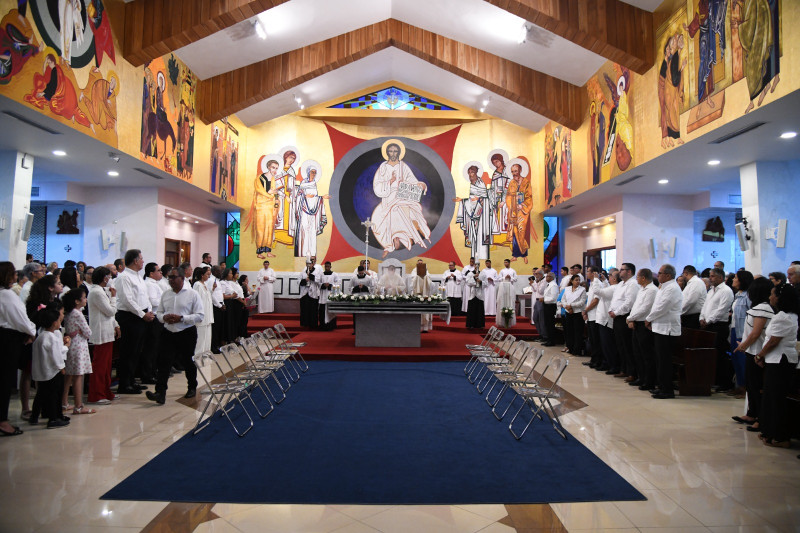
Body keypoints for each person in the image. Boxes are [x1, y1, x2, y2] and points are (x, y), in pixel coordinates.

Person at [146, 268, 205, 404]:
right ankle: (160, 392)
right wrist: (164, 317)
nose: (171, 280)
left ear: (182, 278)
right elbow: (159, 313)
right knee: (164, 362)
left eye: (174, 277)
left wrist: (182, 318)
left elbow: (200, 315)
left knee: (188, 361)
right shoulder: (166, 294)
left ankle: (191, 387)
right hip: (168, 332)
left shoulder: (192, 294)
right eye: (169, 278)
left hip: (186, 332)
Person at [753, 284, 798, 447]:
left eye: (773, 294)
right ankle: (770, 431)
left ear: (780, 297)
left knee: (775, 399)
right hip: (779, 360)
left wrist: (759, 355)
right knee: (772, 398)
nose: (770, 297)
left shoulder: (783, 317)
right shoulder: (790, 315)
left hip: (780, 360)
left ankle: (780, 436)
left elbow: (773, 341)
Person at [371, 141, 431, 258]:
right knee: (379, 219)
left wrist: (420, 184)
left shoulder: (403, 166)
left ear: (399, 152)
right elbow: (377, 184)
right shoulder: (383, 167)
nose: (393, 153)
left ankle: (401, 236)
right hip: (388, 197)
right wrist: (390, 181)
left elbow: (412, 180)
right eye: (390, 151)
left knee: (400, 210)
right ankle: (392, 241)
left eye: (395, 151)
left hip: (401, 196)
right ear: (387, 152)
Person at [732, 277, 774, 428]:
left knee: (756, 385)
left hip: (757, 352)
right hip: (751, 350)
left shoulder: (763, 308)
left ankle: (759, 418)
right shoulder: (760, 307)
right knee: (751, 384)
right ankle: (751, 413)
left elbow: (756, 333)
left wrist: (743, 345)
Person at [0, 262, 35, 436]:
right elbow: (19, 317)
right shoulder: (6, 294)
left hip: (5, 337)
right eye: (14, 273)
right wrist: (31, 332)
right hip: (8, 339)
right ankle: (3, 421)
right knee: (5, 380)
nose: (16, 276)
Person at [115, 249, 154, 394]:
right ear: (135, 261)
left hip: (141, 316)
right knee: (128, 351)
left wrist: (148, 311)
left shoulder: (138, 276)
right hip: (129, 317)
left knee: (137, 351)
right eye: (141, 259)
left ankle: (132, 381)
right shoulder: (124, 277)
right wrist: (142, 314)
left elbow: (144, 297)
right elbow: (127, 300)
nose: (143, 261)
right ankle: (124, 384)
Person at [645, 264, 683, 399]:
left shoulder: (672, 288)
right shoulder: (664, 286)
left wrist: (649, 318)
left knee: (664, 361)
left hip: (667, 329)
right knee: (660, 360)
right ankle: (661, 386)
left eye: (660, 273)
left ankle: (667, 390)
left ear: (668, 275)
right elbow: (657, 305)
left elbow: (662, 307)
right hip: (660, 327)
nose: (657, 275)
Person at [31, 302, 71, 428]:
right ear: (54, 323)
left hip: (41, 372)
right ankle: (54, 418)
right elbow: (56, 355)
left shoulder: (40, 336)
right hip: (52, 372)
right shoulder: (52, 338)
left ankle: (34, 416)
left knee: (41, 395)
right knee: (54, 395)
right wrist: (61, 366)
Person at [87, 267, 119, 404]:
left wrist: (116, 325)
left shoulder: (101, 291)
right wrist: (114, 298)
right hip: (100, 332)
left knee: (106, 366)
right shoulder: (96, 292)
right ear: (104, 278)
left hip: (107, 331)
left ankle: (106, 391)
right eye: (109, 276)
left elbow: (110, 315)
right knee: (99, 365)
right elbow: (110, 311)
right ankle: (97, 394)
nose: (110, 280)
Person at [699, 267, 735, 391]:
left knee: (719, 355)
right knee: (710, 354)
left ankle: (724, 382)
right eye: (710, 276)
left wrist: (708, 320)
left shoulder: (726, 291)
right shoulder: (710, 291)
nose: (710, 278)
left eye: (713, 276)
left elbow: (722, 309)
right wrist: (702, 318)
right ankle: (713, 379)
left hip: (719, 325)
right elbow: (705, 306)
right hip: (708, 325)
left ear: (720, 277)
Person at [61, 290, 95, 415]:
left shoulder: (70, 312)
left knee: (69, 375)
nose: (86, 300)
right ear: (77, 301)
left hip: (72, 344)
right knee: (78, 376)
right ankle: (78, 406)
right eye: (84, 298)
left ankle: (64, 402)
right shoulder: (77, 313)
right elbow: (88, 332)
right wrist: (83, 332)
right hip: (79, 346)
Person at [454, 165, 496, 261]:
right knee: (474, 236)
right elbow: (472, 198)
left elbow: (482, 198)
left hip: (481, 214)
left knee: (481, 235)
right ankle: (474, 258)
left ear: (476, 173)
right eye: (469, 173)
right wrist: (464, 201)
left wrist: (463, 200)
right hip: (471, 213)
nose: (470, 175)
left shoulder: (480, 184)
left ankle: (483, 257)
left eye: (472, 172)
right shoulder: (469, 184)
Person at [627, 268, 658, 388]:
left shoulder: (652, 290)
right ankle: (641, 377)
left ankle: (649, 381)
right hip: (637, 322)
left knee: (647, 354)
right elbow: (636, 306)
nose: (637, 279)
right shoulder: (641, 289)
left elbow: (645, 308)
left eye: (638, 277)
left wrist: (630, 318)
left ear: (644, 278)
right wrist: (632, 318)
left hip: (644, 324)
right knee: (637, 353)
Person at [246, 157, 283, 258]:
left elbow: (274, 191)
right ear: (268, 167)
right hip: (261, 206)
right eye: (273, 168)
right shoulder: (259, 178)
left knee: (269, 228)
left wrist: (275, 197)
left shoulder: (273, 180)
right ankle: (259, 252)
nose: (275, 170)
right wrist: (269, 194)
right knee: (261, 229)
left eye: (276, 168)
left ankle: (268, 250)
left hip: (270, 207)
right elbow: (260, 190)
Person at [609, 263, 639, 379]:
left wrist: (616, 312)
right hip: (616, 316)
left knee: (627, 345)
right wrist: (611, 310)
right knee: (620, 345)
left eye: (622, 270)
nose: (619, 271)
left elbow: (629, 302)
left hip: (625, 316)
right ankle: (624, 368)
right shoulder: (621, 284)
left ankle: (632, 371)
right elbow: (615, 300)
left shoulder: (633, 284)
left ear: (629, 272)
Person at [292, 163, 330, 258]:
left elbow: (314, 197)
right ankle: (303, 253)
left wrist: (321, 197)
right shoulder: (303, 184)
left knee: (312, 231)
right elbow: (298, 196)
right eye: (312, 172)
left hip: (313, 212)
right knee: (304, 230)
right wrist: (305, 196)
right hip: (304, 212)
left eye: (315, 172)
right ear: (308, 173)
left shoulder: (314, 185)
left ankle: (312, 254)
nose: (314, 174)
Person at [730, 270, 754, 396]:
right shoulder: (738, 294)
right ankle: (739, 385)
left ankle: (745, 387)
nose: (733, 279)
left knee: (742, 359)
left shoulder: (748, 295)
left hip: (743, 331)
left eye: (736, 278)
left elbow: (751, 313)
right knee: (735, 358)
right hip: (734, 328)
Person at [140, 262, 164, 385]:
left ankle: (153, 372)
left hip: (158, 318)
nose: (160, 273)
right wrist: (165, 302)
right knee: (151, 348)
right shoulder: (149, 284)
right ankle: (147, 374)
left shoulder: (155, 284)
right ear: (151, 273)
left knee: (156, 348)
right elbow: (153, 301)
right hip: (153, 317)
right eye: (158, 271)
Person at [506, 161, 532, 263]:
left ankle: (524, 255)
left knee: (523, 232)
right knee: (515, 232)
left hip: (523, 212)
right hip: (514, 211)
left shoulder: (526, 182)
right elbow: (508, 196)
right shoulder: (512, 183)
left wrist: (522, 205)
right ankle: (515, 255)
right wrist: (512, 204)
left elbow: (529, 197)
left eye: (516, 171)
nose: (514, 173)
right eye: (512, 171)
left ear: (520, 170)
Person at [582, 267, 604, 367]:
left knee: (596, 340)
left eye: (588, 271)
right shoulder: (591, 284)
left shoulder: (598, 283)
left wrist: (586, 310)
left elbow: (596, 300)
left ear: (594, 273)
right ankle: (593, 359)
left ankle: (597, 361)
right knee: (592, 339)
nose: (587, 273)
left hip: (595, 315)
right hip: (590, 315)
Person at [562, 275, 586, 355]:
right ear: (572, 281)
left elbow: (582, 302)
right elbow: (563, 300)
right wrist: (568, 307)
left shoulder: (582, 289)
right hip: (568, 312)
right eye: (576, 280)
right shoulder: (567, 289)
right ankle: (570, 348)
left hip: (578, 313)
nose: (578, 281)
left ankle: (577, 350)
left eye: (579, 280)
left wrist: (571, 305)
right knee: (569, 331)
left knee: (577, 332)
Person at [192, 267, 214, 355]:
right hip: (201, 313)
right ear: (202, 275)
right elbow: (197, 300)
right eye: (207, 275)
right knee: (201, 335)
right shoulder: (197, 285)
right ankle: (198, 354)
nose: (208, 276)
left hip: (208, 313)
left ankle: (206, 352)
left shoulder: (204, 285)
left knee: (207, 334)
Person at [411, 262, 433, 332]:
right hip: (417, 295)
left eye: (421, 264)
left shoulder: (427, 273)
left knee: (425, 312)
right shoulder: (414, 271)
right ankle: (416, 326)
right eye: (419, 264)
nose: (420, 265)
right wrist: (418, 277)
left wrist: (425, 277)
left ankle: (425, 327)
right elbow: (412, 283)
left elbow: (430, 284)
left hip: (425, 295)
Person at [299, 259, 320, 329]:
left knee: (313, 309)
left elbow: (319, 280)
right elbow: (298, 281)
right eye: (307, 264)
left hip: (313, 293)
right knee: (304, 308)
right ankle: (304, 323)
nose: (308, 265)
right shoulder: (303, 271)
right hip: (304, 293)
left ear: (313, 264)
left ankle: (313, 324)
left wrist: (311, 277)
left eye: (310, 264)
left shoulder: (316, 271)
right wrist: (305, 280)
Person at [496, 259, 517, 328]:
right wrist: (504, 277)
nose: (505, 263)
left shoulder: (513, 270)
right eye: (504, 262)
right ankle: (501, 321)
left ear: (509, 263)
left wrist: (511, 278)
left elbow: (516, 279)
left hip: (510, 288)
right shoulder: (502, 271)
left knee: (510, 302)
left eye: (507, 262)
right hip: (503, 288)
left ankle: (510, 322)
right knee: (502, 302)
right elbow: (498, 279)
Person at [318, 261, 339, 331]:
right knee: (322, 311)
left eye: (328, 266)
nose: (327, 268)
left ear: (330, 267)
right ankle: (323, 326)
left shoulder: (334, 274)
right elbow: (318, 283)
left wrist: (330, 285)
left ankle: (331, 326)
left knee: (330, 311)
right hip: (323, 295)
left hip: (330, 295)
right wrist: (323, 285)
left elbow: (338, 283)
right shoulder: (321, 274)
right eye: (326, 266)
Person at [542, 272, 559, 347]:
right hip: (547, 305)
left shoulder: (554, 285)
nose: (546, 278)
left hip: (551, 306)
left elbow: (553, 298)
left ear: (552, 277)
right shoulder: (549, 285)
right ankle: (548, 339)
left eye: (548, 276)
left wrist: (544, 299)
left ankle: (551, 340)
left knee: (550, 324)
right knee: (547, 323)